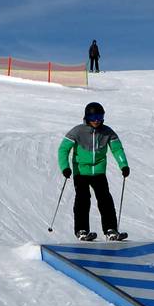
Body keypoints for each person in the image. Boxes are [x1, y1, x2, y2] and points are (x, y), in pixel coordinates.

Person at [57, 101, 129, 240]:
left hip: (98, 172)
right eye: (93, 117)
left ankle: (110, 229)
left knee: (105, 199)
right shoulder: (77, 131)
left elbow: (117, 149)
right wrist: (65, 167)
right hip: (81, 172)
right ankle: (81, 230)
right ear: (87, 117)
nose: (96, 121)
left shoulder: (107, 132)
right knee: (83, 199)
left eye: (100, 117)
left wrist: (123, 165)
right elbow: (63, 149)